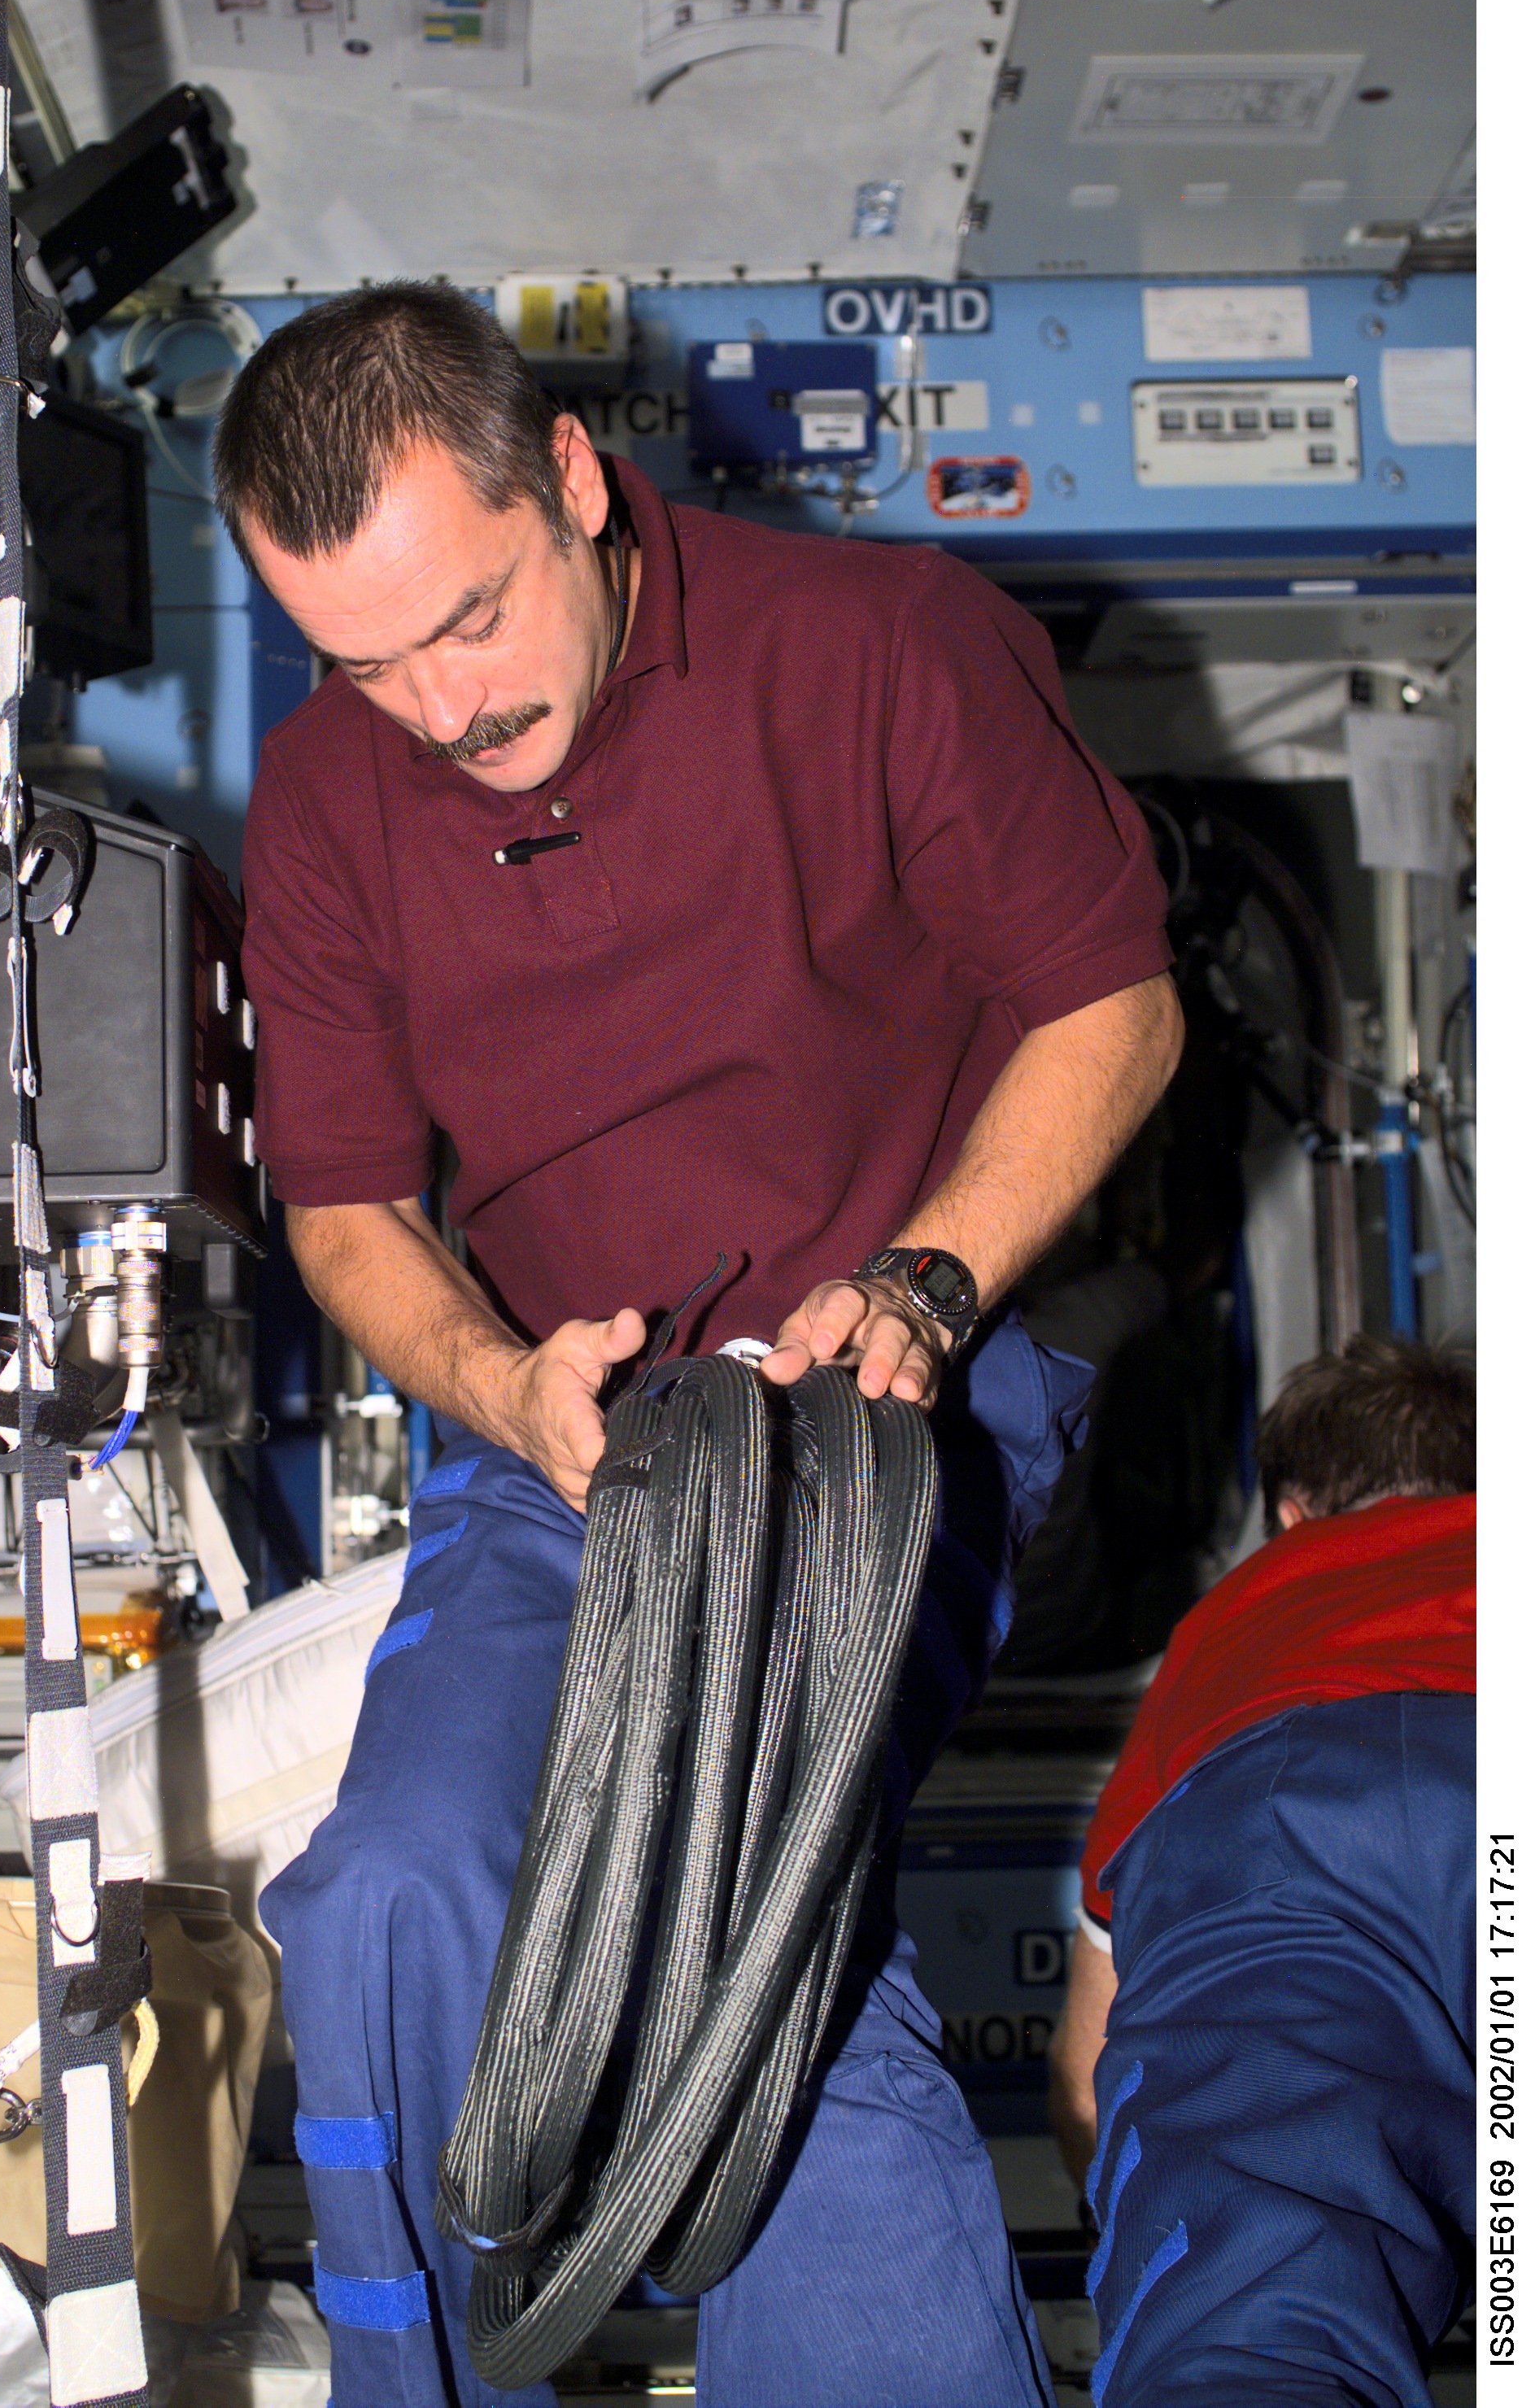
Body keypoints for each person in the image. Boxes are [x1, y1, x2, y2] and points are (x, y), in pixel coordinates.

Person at [218, 281, 1183, 2408]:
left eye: (468, 621)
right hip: (575, 1433)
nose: (437, 708)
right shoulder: (324, 798)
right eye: (361, 662)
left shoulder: (877, 649)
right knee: (382, 1896)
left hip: (894, 1397)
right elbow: (350, 1211)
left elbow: (1110, 1005)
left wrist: (922, 1281)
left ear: (568, 481)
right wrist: (501, 1387)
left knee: (736, 1925)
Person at [1047, 1336, 1476, 2408]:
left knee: (1261, 2320)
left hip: (1293, 1827)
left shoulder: (1233, 1622)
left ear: (1289, 1515)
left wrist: (1132, 2218)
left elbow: (1088, 2071)